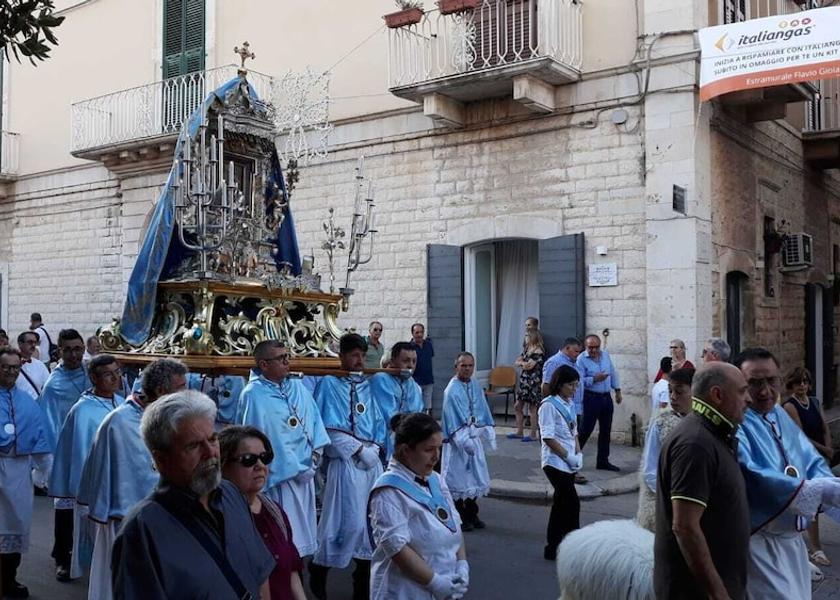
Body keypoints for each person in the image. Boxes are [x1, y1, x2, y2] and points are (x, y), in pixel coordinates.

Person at [112, 390, 274, 599]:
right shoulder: (142, 530)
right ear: (161, 460)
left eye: (212, 439)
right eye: (194, 445)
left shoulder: (231, 495)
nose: (210, 452)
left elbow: (260, 577)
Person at [733, 348, 840, 599]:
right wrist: (821, 489)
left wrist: (832, 487)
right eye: (754, 383)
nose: (764, 391)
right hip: (758, 542)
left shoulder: (778, 413)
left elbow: (810, 460)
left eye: (771, 381)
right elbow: (751, 476)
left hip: (791, 542)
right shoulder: (736, 421)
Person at [77, 357, 187, 600]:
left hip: (166, 516)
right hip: (123, 518)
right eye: (181, 388)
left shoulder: (173, 418)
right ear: (161, 390)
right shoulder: (118, 422)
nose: (186, 393)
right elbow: (104, 474)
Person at [654, 362, 751, 600]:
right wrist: (717, 592)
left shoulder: (713, 433)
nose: (748, 398)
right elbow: (685, 527)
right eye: (741, 391)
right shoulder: (696, 443)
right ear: (717, 394)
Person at [310, 333, 387, 600]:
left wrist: (375, 449)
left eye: (362, 355)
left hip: (371, 464)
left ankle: (361, 583)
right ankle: (319, 570)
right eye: (354, 355)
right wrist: (357, 449)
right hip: (346, 465)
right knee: (346, 523)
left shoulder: (368, 385)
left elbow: (378, 421)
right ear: (341, 356)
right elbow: (325, 427)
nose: (359, 360)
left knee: (371, 524)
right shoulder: (329, 384)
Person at [237, 340, 329, 559]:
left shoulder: (298, 386)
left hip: (306, 475)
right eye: (281, 358)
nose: (288, 362)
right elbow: (259, 440)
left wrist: (314, 458)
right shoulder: (252, 395)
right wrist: (296, 467)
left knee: (303, 541)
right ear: (264, 364)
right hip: (279, 480)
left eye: (288, 356)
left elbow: (315, 421)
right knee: (281, 541)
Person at [368, 412, 468, 599]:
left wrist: (462, 563)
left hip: (443, 584)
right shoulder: (388, 491)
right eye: (429, 449)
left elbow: (453, 523)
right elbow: (397, 549)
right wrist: (435, 583)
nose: (436, 457)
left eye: (439, 448)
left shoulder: (435, 480)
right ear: (406, 450)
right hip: (405, 591)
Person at [48, 355, 124, 581]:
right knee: (74, 522)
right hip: (89, 478)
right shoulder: (82, 410)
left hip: (115, 477)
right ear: (93, 378)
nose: (115, 378)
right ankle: (64, 559)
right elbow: (80, 450)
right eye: (108, 374)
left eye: (117, 372)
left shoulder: (121, 403)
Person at [220, 425, 307, 600]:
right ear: (223, 466)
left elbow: (290, 570)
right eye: (248, 459)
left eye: (264, 457)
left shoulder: (274, 511)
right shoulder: (218, 519)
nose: (260, 466)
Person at [0, 347, 51, 598]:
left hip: (19, 474)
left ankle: (9, 579)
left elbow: (40, 440)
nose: (10, 372)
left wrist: (49, 473)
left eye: (15, 367)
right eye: (5, 367)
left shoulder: (27, 402)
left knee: (15, 527)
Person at [39, 328, 88, 582]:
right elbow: (46, 425)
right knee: (66, 509)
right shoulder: (53, 385)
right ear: (59, 351)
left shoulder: (92, 375)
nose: (73, 354)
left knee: (92, 507)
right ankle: (62, 557)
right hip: (66, 454)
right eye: (68, 349)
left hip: (91, 452)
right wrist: (51, 463)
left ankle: (89, 555)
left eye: (78, 348)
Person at [782, 366, 835, 567]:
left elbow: (824, 426)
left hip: (822, 456)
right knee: (812, 498)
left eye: (804, 382)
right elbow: (800, 435)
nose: (802, 386)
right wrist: (822, 448)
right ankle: (815, 548)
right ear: (791, 386)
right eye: (797, 383)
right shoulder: (790, 406)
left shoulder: (814, 401)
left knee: (823, 497)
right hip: (804, 457)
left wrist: (828, 447)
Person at [441, 352, 496, 532]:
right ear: (456, 366)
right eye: (463, 365)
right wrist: (464, 440)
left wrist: (485, 429)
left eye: (471, 365)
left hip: (474, 439)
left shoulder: (474, 384)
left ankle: (473, 514)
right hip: (459, 443)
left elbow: (482, 408)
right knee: (459, 481)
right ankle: (461, 517)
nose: (467, 369)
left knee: (474, 479)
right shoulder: (451, 390)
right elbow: (452, 418)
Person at [637, 367, 694, 532]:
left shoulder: (703, 422)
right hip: (665, 499)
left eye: (680, 392)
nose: (673, 397)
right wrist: (669, 496)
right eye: (670, 392)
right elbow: (650, 467)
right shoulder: (662, 422)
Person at [539, 365, 582, 561]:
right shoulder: (549, 405)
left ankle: (553, 546)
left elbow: (574, 432)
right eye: (571, 385)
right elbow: (547, 437)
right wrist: (567, 455)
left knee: (560, 503)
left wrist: (578, 454)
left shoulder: (569, 403)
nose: (574, 389)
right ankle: (575, 544)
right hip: (555, 461)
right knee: (572, 502)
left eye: (576, 385)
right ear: (560, 384)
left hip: (569, 461)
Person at [369, 341, 424, 460]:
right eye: (406, 361)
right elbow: (390, 417)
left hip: (409, 441)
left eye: (414, 361)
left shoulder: (413, 384)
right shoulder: (381, 379)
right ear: (393, 361)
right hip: (383, 443)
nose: (410, 365)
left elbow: (417, 413)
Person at [576, 334, 622, 471]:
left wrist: (618, 390)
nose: (594, 350)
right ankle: (572, 459)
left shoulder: (605, 355)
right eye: (591, 347)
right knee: (585, 430)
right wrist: (594, 379)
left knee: (606, 430)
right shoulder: (581, 360)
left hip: (606, 397)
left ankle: (603, 461)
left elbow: (612, 372)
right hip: (591, 397)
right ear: (586, 346)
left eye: (596, 347)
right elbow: (578, 381)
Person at [510, 330, 544, 442]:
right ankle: (519, 431)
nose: (525, 338)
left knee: (532, 408)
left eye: (527, 336)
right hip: (524, 382)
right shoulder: (526, 350)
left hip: (533, 382)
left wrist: (523, 363)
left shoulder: (538, 351)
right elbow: (517, 361)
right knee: (517, 406)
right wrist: (522, 363)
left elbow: (529, 366)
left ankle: (533, 434)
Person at [14, 331, 50, 401]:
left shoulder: (40, 365)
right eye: (30, 342)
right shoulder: (11, 364)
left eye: (35, 342)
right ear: (20, 344)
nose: (33, 345)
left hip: (36, 407)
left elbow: (48, 387)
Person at [409, 323, 434, 416]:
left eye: (421, 332)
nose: (419, 335)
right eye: (417, 332)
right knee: (416, 406)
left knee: (428, 406)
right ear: (412, 333)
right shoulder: (409, 347)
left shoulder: (428, 345)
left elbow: (430, 358)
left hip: (428, 380)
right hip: (415, 381)